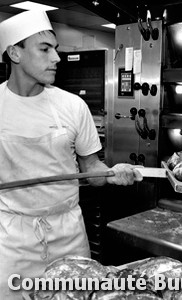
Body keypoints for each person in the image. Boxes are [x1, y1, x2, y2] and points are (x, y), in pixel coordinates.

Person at [0, 10, 142, 299]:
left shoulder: (72, 106)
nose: (56, 58)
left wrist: (111, 174)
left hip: (68, 235)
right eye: (45, 49)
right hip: (11, 240)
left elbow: (91, 167)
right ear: (15, 53)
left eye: (56, 49)